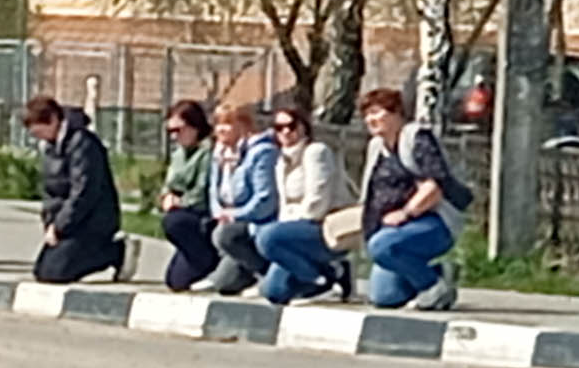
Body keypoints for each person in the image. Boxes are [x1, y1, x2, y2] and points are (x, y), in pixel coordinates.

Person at [359, 88, 467, 310]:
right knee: (385, 296)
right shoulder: (376, 147)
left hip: (431, 223)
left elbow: (435, 186)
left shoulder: (416, 138)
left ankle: (433, 286)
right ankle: (439, 272)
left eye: (376, 112)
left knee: (381, 246)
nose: (370, 119)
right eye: (367, 114)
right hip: (392, 232)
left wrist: (406, 212)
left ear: (397, 113)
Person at [24, 95, 135, 284]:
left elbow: (83, 192)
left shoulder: (83, 144)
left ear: (53, 120)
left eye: (39, 132)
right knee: (43, 270)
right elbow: (51, 191)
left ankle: (117, 251)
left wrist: (60, 226)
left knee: (57, 272)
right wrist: (50, 223)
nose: (38, 138)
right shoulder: (51, 147)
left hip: (92, 221)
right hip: (69, 223)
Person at [253, 104, 352, 304]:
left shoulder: (316, 152)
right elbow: (284, 203)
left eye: (291, 126)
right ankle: (329, 273)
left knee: (267, 237)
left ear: (303, 127)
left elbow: (317, 202)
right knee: (273, 292)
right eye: (279, 128)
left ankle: (321, 279)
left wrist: (287, 229)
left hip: (321, 227)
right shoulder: (282, 160)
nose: (286, 132)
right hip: (294, 228)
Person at [194, 104, 280, 296]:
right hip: (229, 216)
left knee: (224, 235)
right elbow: (214, 190)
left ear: (244, 126)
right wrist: (219, 212)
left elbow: (265, 200)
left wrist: (235, 215)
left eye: (228, 124)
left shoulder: (261, 152)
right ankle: (239, 273)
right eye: (218, 124)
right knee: (224, 285)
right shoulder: (220, 153)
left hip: (255, 220)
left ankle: (264, 273)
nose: (221, 130)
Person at [158, 99, 218, 292]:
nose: (174, 136)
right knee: (175, 281)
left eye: (179, 130)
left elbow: (202, 191)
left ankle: (209, 259)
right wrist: (166, 197)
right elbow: (168, 184)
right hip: (179, 210)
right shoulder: (178, 154)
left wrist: (180, 202)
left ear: (194, 126)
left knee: (173, 222)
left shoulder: (207, 153)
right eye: (170, 131)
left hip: (200, 216)